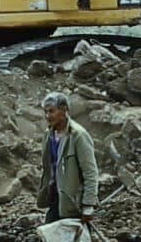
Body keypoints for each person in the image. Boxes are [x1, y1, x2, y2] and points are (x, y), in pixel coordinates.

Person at [37, 92, 99, 224]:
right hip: (56, 196)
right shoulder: (49, 135)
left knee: (74, 239)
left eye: (52, 111)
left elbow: (90, 172)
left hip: (73, 201)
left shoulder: (78, 135)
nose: (47, 116)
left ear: (64, 110)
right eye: (46, 112)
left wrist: (88, 204)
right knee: (50, 238)